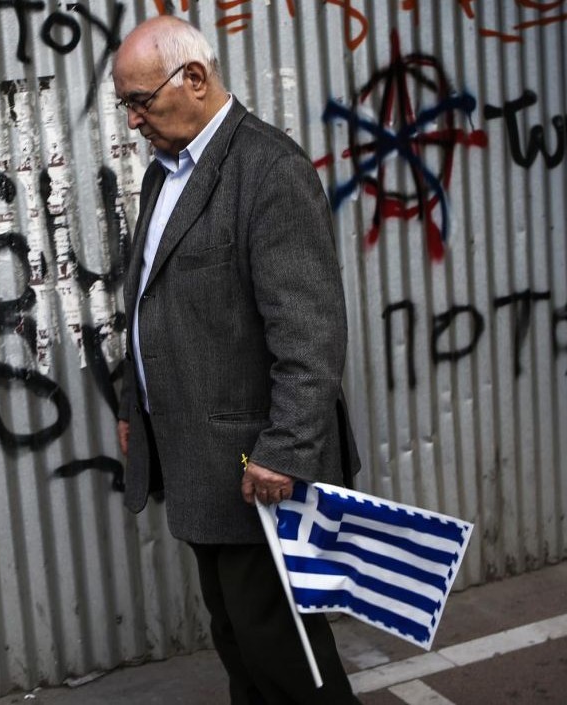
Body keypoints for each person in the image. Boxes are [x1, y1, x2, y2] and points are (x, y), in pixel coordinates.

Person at [112, 16, 362, 704]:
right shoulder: (164, 175)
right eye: (125, 104)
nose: (132, 121)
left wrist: (284, 450)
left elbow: (310, 334)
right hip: (200, 462)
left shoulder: (268, 171)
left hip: (258, 467)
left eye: (140, 101)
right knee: (238, 640)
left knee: (283, 653)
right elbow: (150, 300)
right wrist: (134, 405)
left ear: (193, 78)